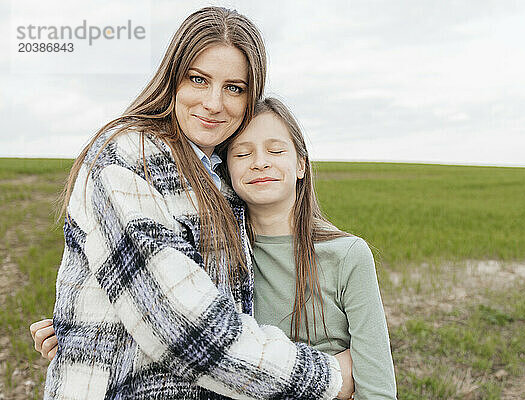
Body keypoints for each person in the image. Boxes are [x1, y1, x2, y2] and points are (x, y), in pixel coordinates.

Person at [30, 7, 353, 400]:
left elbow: (220, 297)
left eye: (235, 87)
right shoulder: (129, 157)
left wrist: (88, 322)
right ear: (172, 78)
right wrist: (329, 376)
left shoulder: (222, 174)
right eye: (198, 79)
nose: (214, 103)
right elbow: (183, 328)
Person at [33, 97, 397, 399]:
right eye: (242, 154)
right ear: (224, 170)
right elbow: (176, 317)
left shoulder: (347, 255)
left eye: (276, 149)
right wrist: (82, 331)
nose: (260, 161)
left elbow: (377, 385)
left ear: (301, 164)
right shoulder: (216, 255)